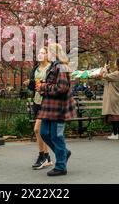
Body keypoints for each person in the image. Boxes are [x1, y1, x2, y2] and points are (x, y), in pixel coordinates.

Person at [36, 43, 76, 176]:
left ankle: (60, 166)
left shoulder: (61, 66)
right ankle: (64, 153)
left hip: (58, 108)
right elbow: (53, 85)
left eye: (49, 52)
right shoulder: (53, 66)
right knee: (44, 133)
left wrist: (43, 87)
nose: (47, 54)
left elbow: (62, 87)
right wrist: (42, 87)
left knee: (56, 136)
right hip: (49, 107)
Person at [27, 47, 53, 170]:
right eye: (39, 52)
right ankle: (47, 157)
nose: (40, 54)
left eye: (43, 52)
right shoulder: (35, 69)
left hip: (46, 102)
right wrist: (29, 84)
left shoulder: (51, 68)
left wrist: (42, 84)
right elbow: (33, 87)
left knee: (37, 130)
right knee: (42, 131)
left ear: (48, 55)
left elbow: (52, 84)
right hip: (36, 101)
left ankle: (42, 156)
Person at [97, 58, 119, 140]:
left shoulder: (116, 73)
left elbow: (105, 76)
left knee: (113, 115)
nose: (114, 64)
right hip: (118, 96)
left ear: (118, 64)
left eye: (115, 63)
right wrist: (108, 70)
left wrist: (105, 68)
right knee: (117, 114)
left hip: (113, 96)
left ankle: (115, 133)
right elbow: (110, 78)